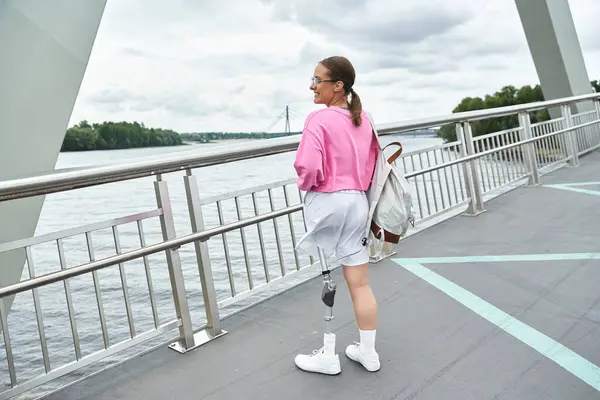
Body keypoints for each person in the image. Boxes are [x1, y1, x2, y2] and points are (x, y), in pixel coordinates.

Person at [292, 56, 380, 375]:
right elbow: (371, 166)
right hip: (358, 202)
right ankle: (368, 352)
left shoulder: (319, 119)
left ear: (337, 85)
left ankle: (328, 356)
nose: (312, 86)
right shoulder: (364, 119)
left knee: (328, 278)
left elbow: (307, 166)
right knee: (359, 283)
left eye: (317, 80)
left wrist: (311, 185)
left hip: (328, 202)